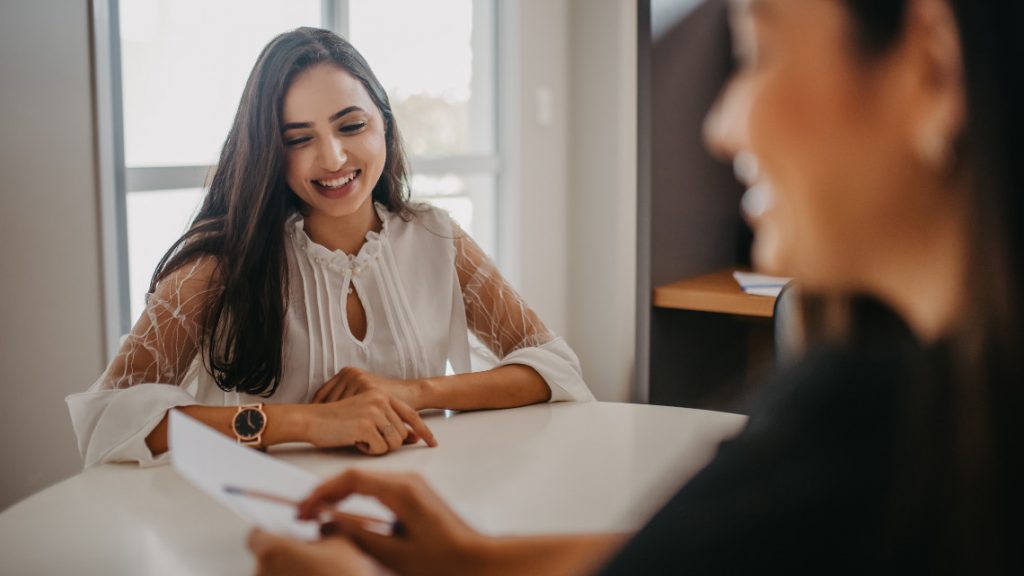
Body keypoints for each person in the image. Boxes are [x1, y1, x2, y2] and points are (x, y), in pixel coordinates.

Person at [247, 0, 1023, 574]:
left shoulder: (861, 418)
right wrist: (469, 559)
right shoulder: (915, 415)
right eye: (300, 137)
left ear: (933, 69)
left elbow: (552, 365)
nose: (724, 124)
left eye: (760, 53)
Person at [66, 28, 593, 468]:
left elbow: (552, 367)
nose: (334, 157)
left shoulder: (437, 236)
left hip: (413, 509)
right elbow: (110, 416)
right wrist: (306, 423)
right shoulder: (220, 263)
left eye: (351, 125)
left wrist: (412, 392)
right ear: (270, 152)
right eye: (299, 139)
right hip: (262, 524)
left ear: (384, 122)